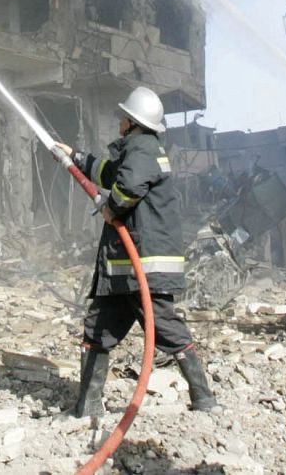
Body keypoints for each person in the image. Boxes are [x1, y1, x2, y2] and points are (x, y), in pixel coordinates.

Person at [53, 86, 217, 418]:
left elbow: (127, 188)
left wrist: (112, 208)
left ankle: (204, 398)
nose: (119, 120)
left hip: (142, 267)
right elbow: (110, 174)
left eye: (123, 116)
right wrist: (75, 157)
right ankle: (87, 407)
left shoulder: (142, 149)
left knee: (165, 328)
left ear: (132, 121)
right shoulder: (138, 151)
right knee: (97, 328)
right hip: (125, 270)